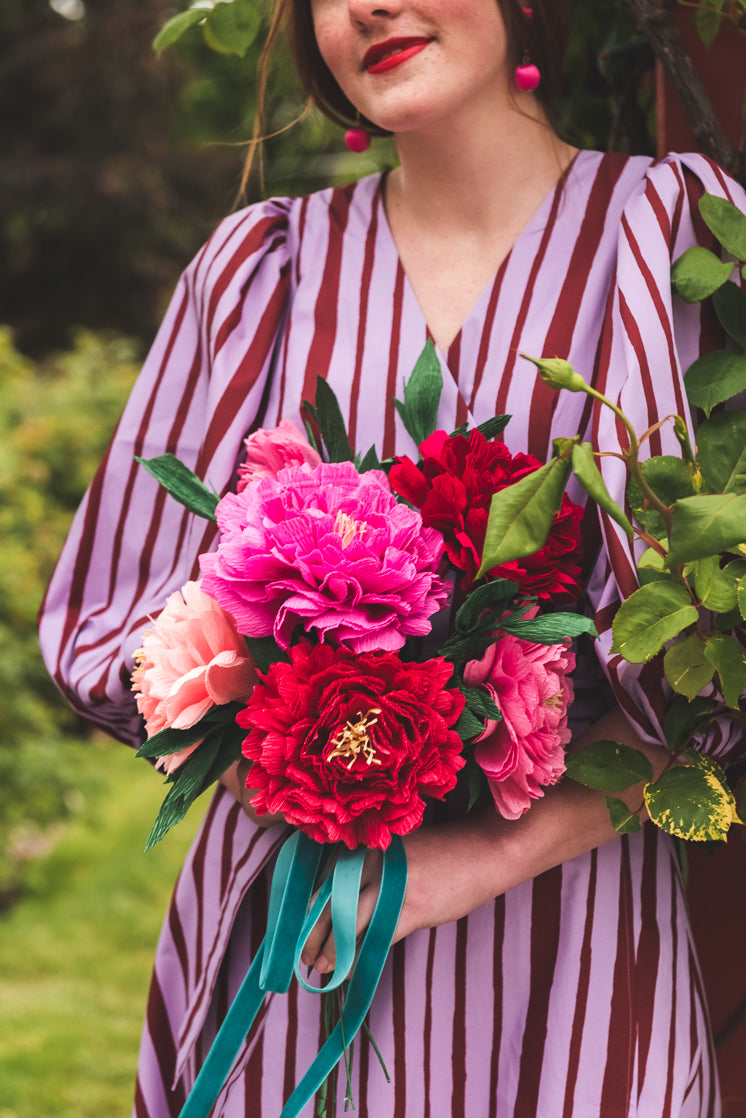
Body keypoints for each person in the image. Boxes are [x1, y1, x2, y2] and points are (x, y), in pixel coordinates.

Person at [38, 0, 746, 1114]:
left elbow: (720, 663)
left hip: (568, 946)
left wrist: (475, 861)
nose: (366, 4)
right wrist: (301, 751)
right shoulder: (257, 271)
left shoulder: (670, 239)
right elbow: (117, 616)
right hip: (296, 933)